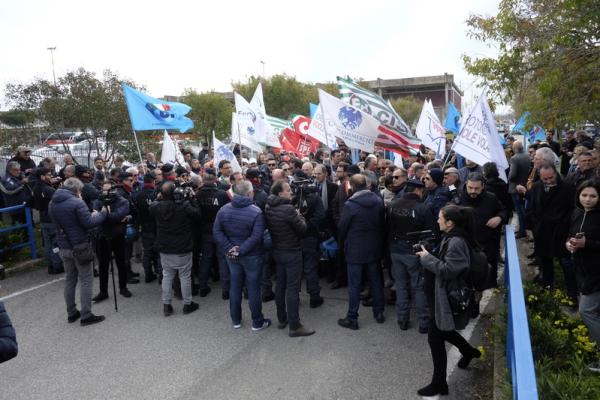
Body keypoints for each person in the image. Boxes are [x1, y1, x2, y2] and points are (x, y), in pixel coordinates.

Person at [416, 205, 481, 397]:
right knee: (443, 331)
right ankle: (468, 351)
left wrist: (427, 258)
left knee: (435, 336)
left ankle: (439, 383)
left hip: (446, 296)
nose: (437, 221)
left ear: (449, 222)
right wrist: (430, 252)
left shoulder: (456, 242)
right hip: (438, 294)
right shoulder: (451, 237)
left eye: (440, 218)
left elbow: (449, 270)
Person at [213, 181, 271, 331]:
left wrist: (230, 248)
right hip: (251, 255)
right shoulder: (256, 211)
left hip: (232, 256)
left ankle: (236, 320)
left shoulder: (223, 210)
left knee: (235, 286)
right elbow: (257, 236)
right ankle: (257, 322)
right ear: (249, 193)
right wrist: (240, 249)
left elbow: (217, 232)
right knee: (253, 288)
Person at [49, 177, 108, 326]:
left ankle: (71, 312)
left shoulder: (52, 202)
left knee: (70, 279)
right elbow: (88, 223)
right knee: (86, 280)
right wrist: (102, 213)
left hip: (63, 246)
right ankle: (86, 315)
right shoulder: (76, 202)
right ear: (76, 189)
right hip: (80, 246)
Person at [265, 180, 316, 337]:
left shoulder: (268, 206)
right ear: (280, 193)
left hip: (278, 250)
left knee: (281, 285)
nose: (291, 192)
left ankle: (282, 318)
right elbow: (302, 230)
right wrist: (300, 216)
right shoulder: (288, 209)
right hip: (292, 252)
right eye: (288, 190)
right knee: (292, 289)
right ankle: (295, 325)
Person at [337, 174, 386, 330]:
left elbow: (342, 228)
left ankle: (352, 317)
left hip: (355, 250)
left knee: (354, 285)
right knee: (376, 281)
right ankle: (379, 313)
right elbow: (382, 223)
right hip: (373, 247)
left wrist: (341, 244)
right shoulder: (378, 201)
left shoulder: (350, 205)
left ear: (351, 186)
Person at [387, 179, 434, 333]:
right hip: (414, 251)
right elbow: (432, 232)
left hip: (395, 250)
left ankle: (403, 319)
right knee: (419, 287)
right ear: (417, 191)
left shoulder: (392, 205)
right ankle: (424, 322)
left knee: (401, 285)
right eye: (421, 191)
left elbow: (386, 227)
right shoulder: (422, 208)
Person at [525, 164, 578, 301]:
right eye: (545, 179)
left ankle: (572, 293)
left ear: (556, 173)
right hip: (542, 231)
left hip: (561, 231)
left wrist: (566, 227)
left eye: (550, 177)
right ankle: (547, 286)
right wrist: (534, 225)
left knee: (565, 262)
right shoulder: (536, 186)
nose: (548, 181)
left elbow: (572, 210)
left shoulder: (568, 188)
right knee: (545, 260)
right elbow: (532, 206)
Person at [149, 181, 201, 316]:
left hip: (165, 247)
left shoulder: (156, 207)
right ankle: (187, 304)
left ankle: (166, 305)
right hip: (182, 247)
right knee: (184, 276)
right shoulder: (183, 206)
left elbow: (152, 206)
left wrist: (159, 197)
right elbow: (197, 214)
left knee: (167, 276)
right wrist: (192, 198)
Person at [566, 181, 600, 353]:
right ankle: (593, 345)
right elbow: (570, 235)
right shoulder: (577, 213)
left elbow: (592, 243)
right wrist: (569, 244)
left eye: (593, 196)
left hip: (596, 273)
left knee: (586, 311)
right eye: (584, 195)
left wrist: (588, 244)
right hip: (581, 269)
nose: (587, 199)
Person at [459, 172, 508, 289]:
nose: (473, 191)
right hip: (468, 244)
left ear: (483, 187)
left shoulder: (491, 198)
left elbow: (504, 210)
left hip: (488, 244)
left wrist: (499, 217)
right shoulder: (459, 198)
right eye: (470, 188)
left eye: (476, 188)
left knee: (489, 276)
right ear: (466, 185)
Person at [92, 182, 133, 302]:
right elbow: (94, 217)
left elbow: (117, 216)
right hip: (102, 235)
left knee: (121, 262)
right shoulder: (99, 200)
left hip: (118, 235)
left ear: (114, 190)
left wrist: (104, 214)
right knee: (103, 265)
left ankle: (123, 287)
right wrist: (105, 214)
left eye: (108, 190)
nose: (106, 193)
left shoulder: (123, 201)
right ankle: (103, 291)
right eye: (104, 190)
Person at [196, 168, 231, 299]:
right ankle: (225, 290)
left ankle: (203, 287)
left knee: (206, 258)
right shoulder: (222, 194)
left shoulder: (198, 194)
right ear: (215, 179)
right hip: (220, 230)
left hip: (206, 231)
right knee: (222, 259)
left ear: (203, 181)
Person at [33, 168, 64, 274]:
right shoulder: (48, 189)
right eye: (49, 175)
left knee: (47, 244)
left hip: (43, 219)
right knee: (55, 244)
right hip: (51, 219)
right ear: (42, 176)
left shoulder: (36, 187)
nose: (51, 176)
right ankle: (57, 266)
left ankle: (50, 266)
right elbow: (60, 200)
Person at [134, 172, 161, 283]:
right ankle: (161, 276)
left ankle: (148, 275)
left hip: (145, 227)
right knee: (159, 252)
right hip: (156, 226)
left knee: (147, 252)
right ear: (153, 181)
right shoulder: (156, 194)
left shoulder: (138, 195)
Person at [508, 140, 531, 238]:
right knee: (522, 209)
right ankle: (523, 229)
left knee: (519, 210)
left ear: (515, 148)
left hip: (516, 187)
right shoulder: (527, 156)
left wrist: (508, 177)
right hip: (524, 185)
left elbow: (512, 175)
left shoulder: (514, 158)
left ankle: (522, 231)